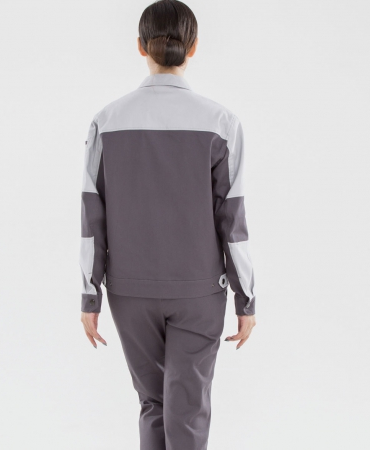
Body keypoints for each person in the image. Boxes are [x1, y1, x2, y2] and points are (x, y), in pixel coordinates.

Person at [79, 1, 257, 448]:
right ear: (192, 47)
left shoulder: (106, 121)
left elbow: (92, 217)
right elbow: (232, 219)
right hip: (198, 290)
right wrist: (246, 297)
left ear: (141, 46)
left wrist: (90, 293)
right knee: (188, 408)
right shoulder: (221, 123)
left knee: (153, 403)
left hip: (129, 290)